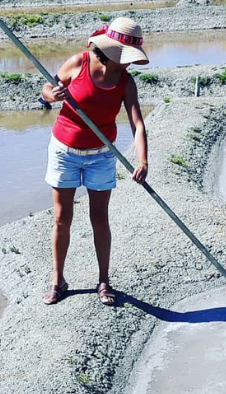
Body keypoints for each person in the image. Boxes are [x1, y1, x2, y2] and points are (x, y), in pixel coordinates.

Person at [40, 17, 150, 306]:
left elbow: (137, 124)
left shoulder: (125, 82)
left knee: (99, 219)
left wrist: (142, 161)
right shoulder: (79, 63)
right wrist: (54, 95)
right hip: (64, 151)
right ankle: (58, 281)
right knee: (62, 218)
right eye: (125, 57)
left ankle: (103, 281)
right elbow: (46, 91)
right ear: (111, 51)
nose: (128, 63)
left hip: (101, 155)